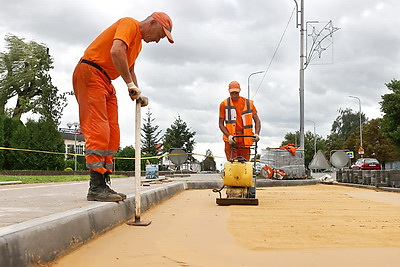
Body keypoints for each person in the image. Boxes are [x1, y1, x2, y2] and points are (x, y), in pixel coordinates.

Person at [72, 12, 174, 202]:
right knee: (98, 129)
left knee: (112, 132)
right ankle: (95, 188)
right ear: (152, 23)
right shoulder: (129, 24)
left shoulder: (139, 44)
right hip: (90, 72)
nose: (159, 40)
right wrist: (129, 85)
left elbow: (130, 68)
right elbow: (116, 51)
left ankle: (103, 183)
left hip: (105, 79)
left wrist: (136, 92)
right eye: (160, 35)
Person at [219, 81, 261, 161]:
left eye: (236, 92)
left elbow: (257, 120)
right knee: (232, 164)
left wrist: (257, 134)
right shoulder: (224, 104)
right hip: (231, 140)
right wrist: (229, 136)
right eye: (232, 93)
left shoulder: (248, 103)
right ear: (229, 91)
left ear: (239, 91)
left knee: (245, 164)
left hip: (245, 139)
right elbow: (220, 124)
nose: (234, 94)